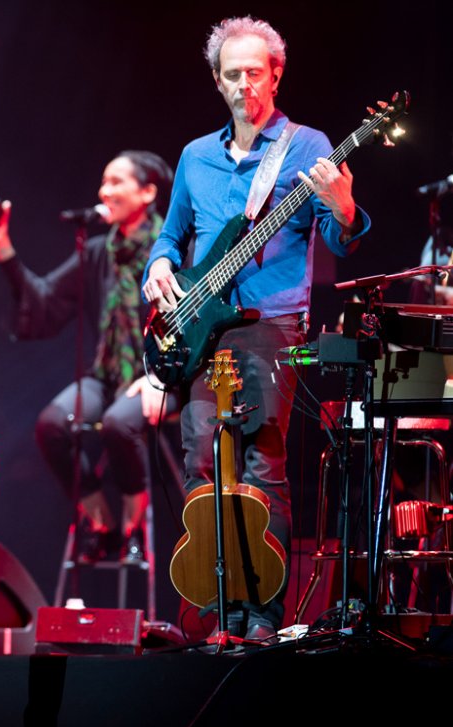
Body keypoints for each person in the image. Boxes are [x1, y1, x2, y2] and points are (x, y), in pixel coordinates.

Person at [142, 16, 371, 643]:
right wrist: (159, 264)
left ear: (276, 74)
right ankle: (220, 611)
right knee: (202, 463)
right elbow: (172, 234)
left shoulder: (307, 145)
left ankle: (265, 614)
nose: (246, 85)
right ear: (218, 82)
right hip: (198, 331)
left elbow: (339, 239)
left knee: (261, 463)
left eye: (256, 73)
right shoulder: (194, 156)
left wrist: (345, 208)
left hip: (270, 326)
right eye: (233, 74)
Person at [0, 151, 176, 564]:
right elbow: (45, 299)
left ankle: (134, 528)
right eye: (103, 182)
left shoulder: (169, 251)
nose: (105, 191)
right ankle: (100, 523)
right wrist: (3, 245)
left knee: (120, 422)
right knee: (51, 424)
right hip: (108, 375)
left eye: (117, 181)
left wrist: (159, 377)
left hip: (165, 377)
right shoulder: (99, 250)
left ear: (148, 192)